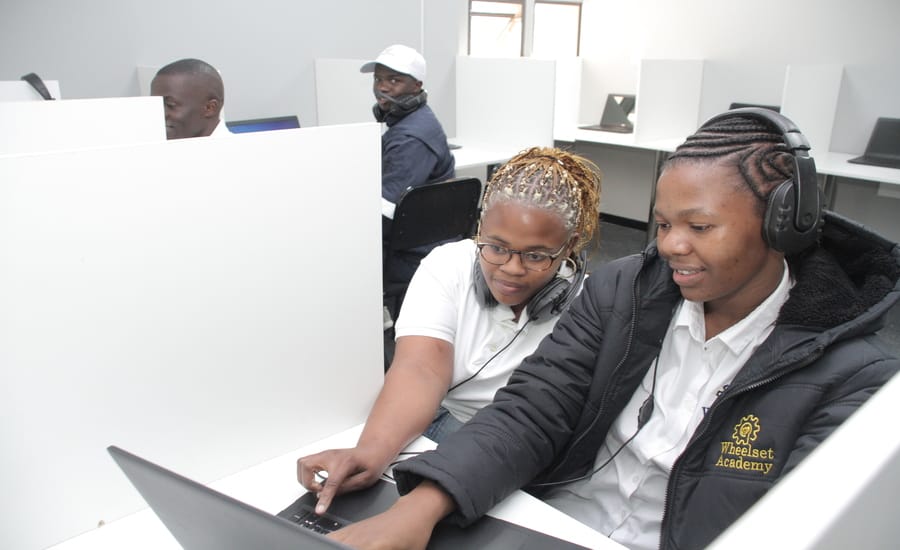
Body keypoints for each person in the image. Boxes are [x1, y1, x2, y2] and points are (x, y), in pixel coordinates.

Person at [311, 109, 900, 550]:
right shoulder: (625, 291)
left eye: (699, 225)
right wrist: (422, 508)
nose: (670, 245)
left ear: (783, 226)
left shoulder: (855, 376)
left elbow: (790, 532)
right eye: (664, 222)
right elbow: (533, 411)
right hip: (547, 524)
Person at [298, 146, 601, 514]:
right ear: (479, 231)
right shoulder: (447, 266)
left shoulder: (587, 303)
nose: (511, 269)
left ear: (567, 248)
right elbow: (420, 370)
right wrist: (370, 452)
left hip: (520, 438)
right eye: (496, 247)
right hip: (439, 415)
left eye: (536, 256)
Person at [360, 44, 456, 283]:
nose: (382, 87)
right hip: (427, 236)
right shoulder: (417, 120)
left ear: (417, 86)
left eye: (394, 80)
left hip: (415, 253)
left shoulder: (410, 138)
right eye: (378, 79)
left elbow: (386, 209)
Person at [150, 58, 228, 140]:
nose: (160, 114)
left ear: (210, 108)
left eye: (170, 105)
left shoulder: (235, 151)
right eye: (156, 104)